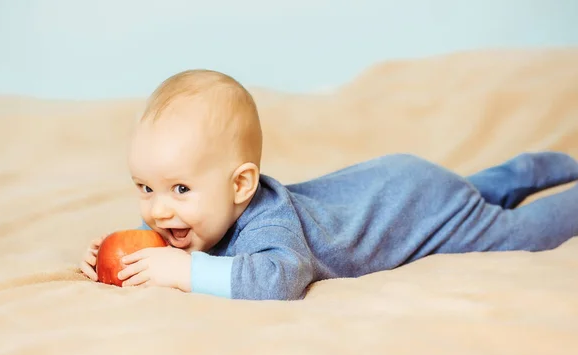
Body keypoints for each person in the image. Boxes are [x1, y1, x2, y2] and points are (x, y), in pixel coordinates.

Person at [80, 69, 578, 300]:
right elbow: (165, 236)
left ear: (241, 185)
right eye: (145, 188)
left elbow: (280, 279)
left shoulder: (267, 223)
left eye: (180, 190)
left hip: (415, 212)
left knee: (519, 233)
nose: (158, 212)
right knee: (466, 187)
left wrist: (185, 272)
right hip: (398, 181)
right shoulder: (195, 215)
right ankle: (523, 172)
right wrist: (117, 255)